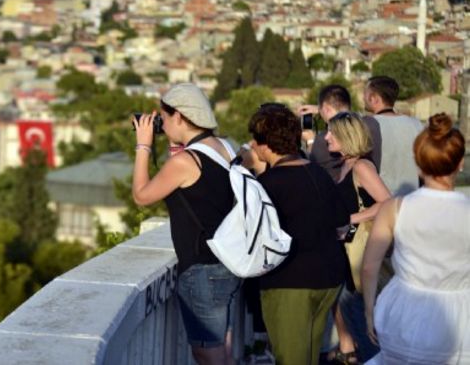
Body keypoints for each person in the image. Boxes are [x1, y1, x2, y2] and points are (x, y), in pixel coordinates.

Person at [132, 83, 239, 365]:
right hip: (227, 261)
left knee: (208, 354)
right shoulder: (224, 147)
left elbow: (142, 195)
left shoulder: (187, 162)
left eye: (164, 119)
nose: (162, 125)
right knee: (221, 348)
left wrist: (143, 145)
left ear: (179, 116)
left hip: (202, 268)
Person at [243, 104, 349, 365]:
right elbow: (343, 223)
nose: (253, 147)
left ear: (266, 144)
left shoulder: (268, 184)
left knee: (290, 359)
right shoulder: (318, 172)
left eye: (255, 141)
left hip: (290, 283)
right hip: (329, 278)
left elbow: (252, 234)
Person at [362, 113, 470, 363]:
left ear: (419, 165)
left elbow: (369, 267)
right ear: (460, 164)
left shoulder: (395, 208)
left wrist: (369, 310)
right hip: (460, 320)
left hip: (405, 315)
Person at [324, 111, 392, 363]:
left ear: (347, 136)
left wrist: (351, 219)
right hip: (349, 256)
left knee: (365, 321)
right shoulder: (345, 165)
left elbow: (387, 201)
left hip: (362, 256)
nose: (326, 136)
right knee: (353, 313)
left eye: (332, 132)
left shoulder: (362, 166)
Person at [299, 84, 381, 181]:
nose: (328, 136)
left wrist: (310, 141)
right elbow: (350, 118)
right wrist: (321, 108)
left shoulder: (322, 140)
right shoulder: (371, 124)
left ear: (326, 108)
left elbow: (312, 167)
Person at [363, 76, 423, 196]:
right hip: (413, 198)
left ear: (373, 98)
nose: (363, 98)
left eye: (365, 94)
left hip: (382, 202)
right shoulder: (417, 124)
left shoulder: (367, 124)